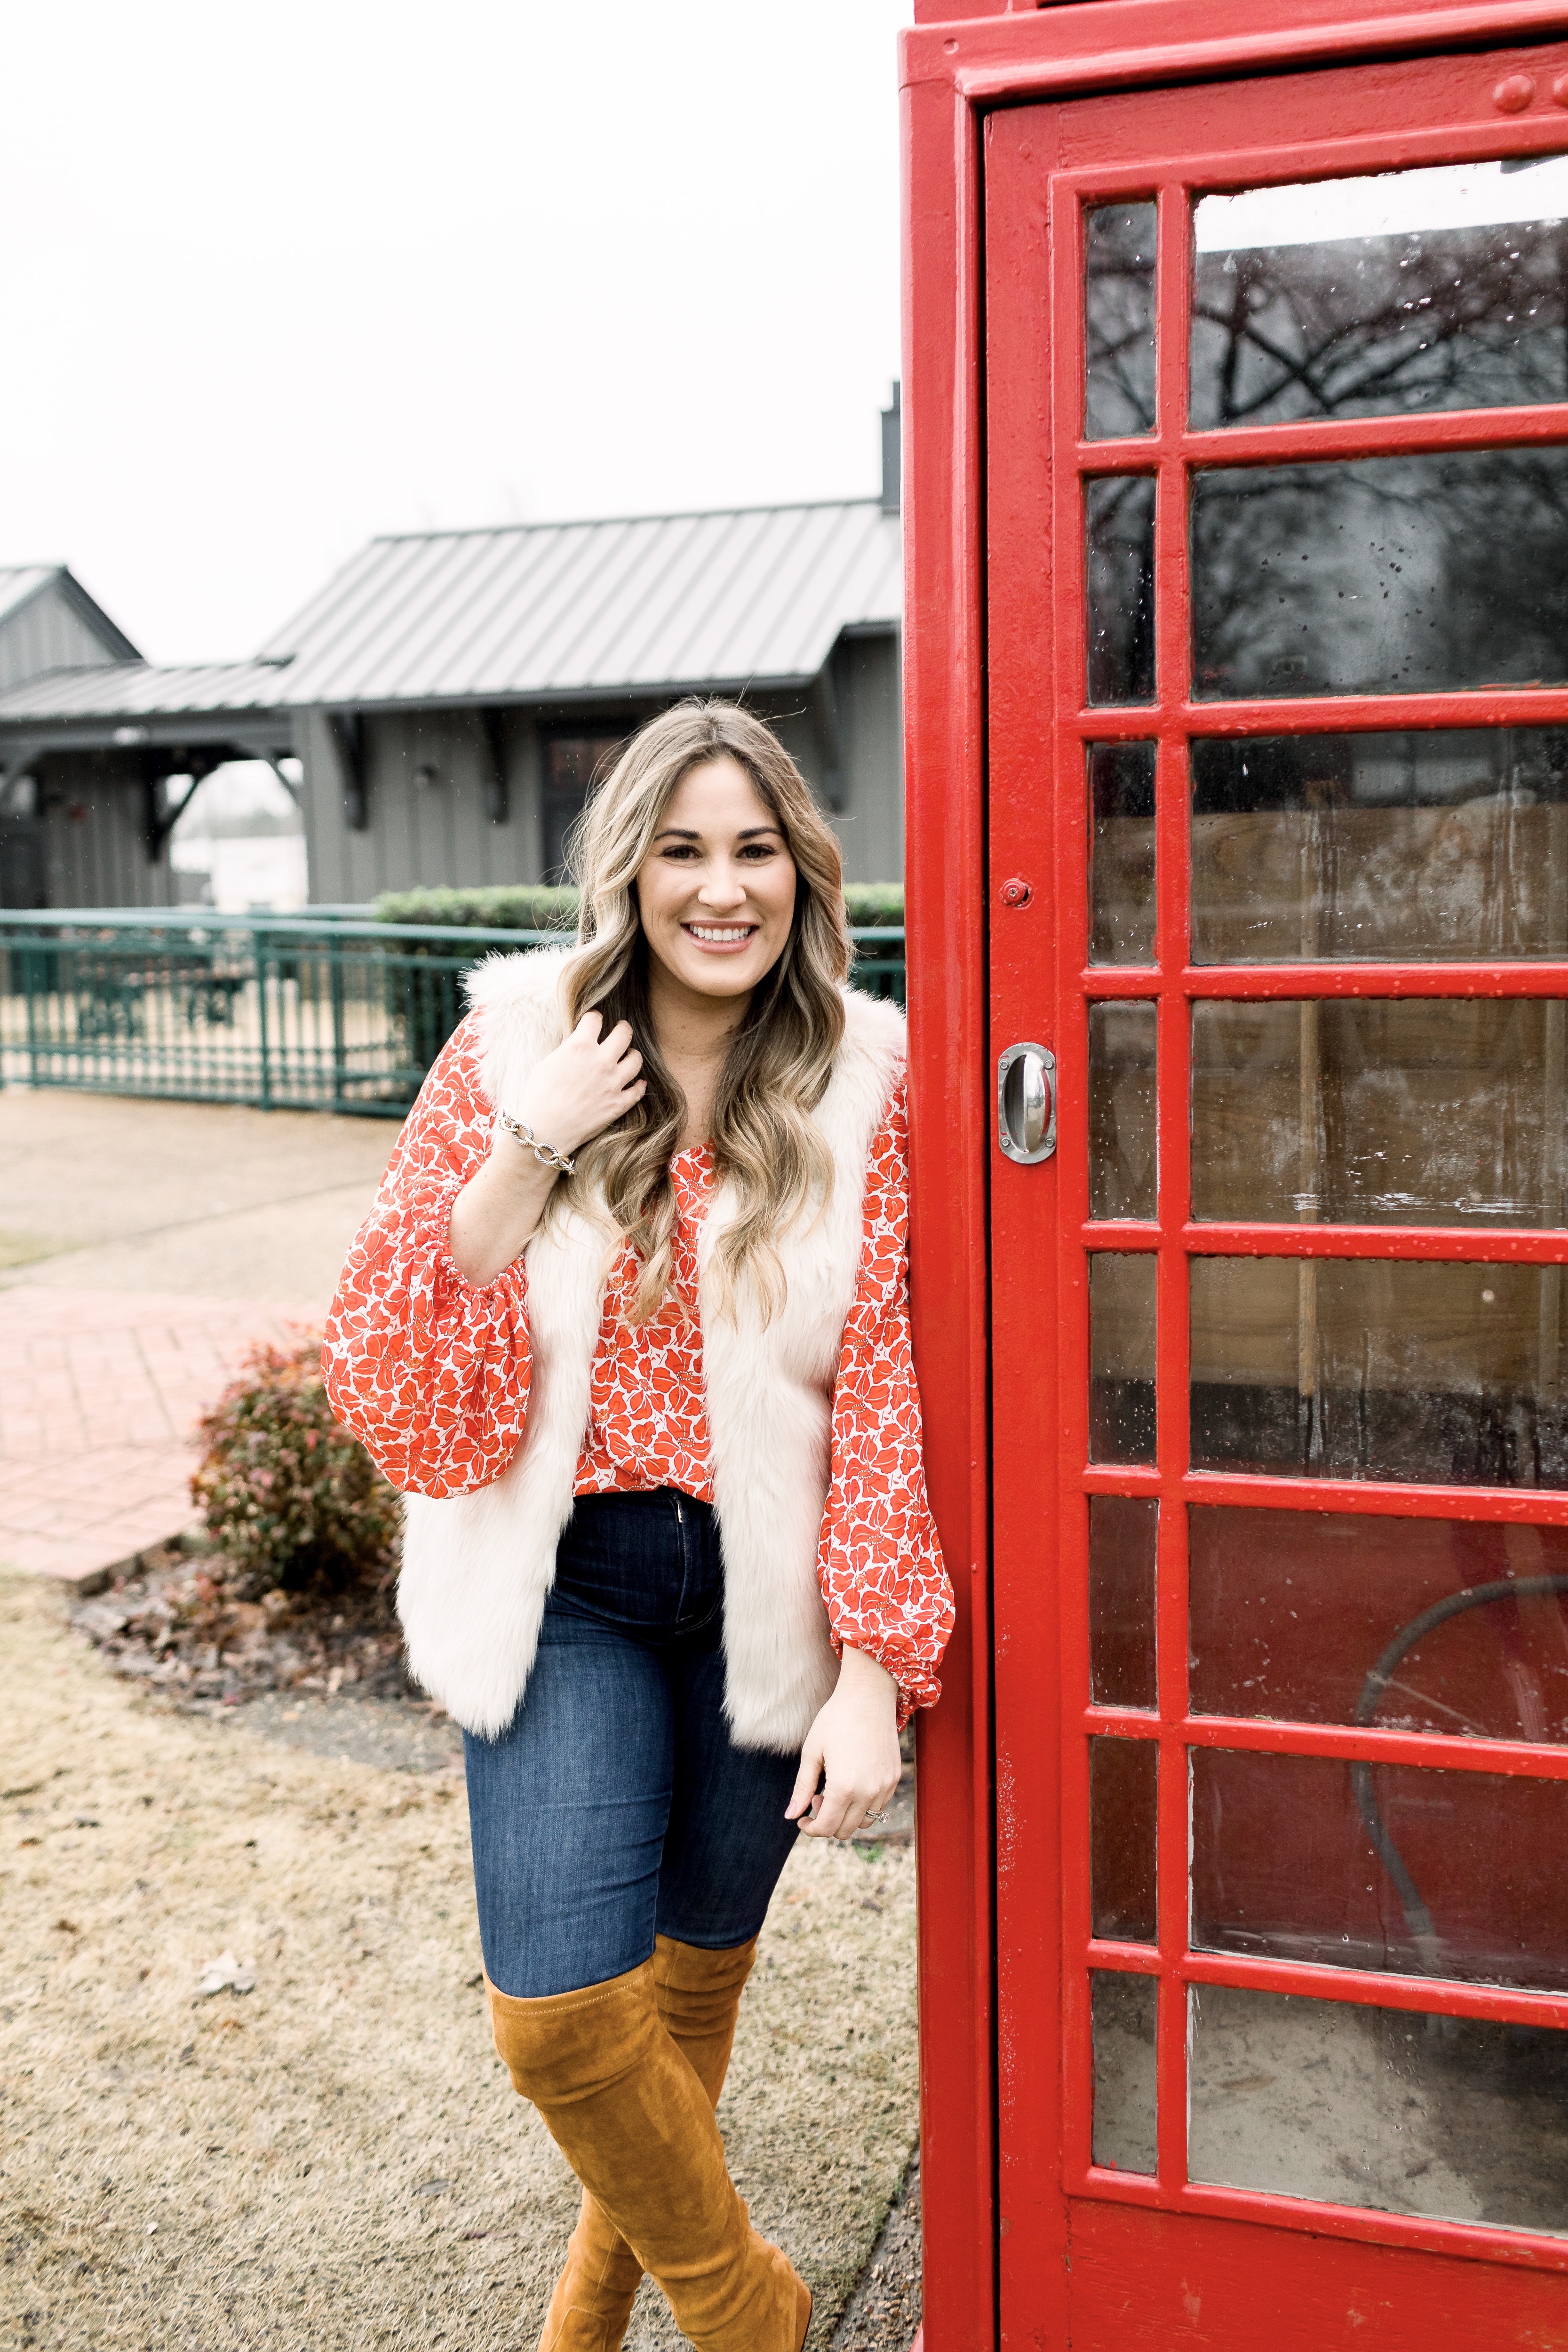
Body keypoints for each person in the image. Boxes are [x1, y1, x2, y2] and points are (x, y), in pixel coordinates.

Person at [324, 699, 954, 2352]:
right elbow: (397, 1378)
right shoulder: (512, 1043)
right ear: (631, 871)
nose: (722, 889)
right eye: (684, 850)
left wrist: (880, 1669)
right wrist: (530, 1142)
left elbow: (884, 1377)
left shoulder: (860, 1084)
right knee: (560, 2024)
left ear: (804, 877)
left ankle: (584, 2330)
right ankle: (751, 2312)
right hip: (569, 1593)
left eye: (756, 851)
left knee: (683, 2007)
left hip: (767, 1598)